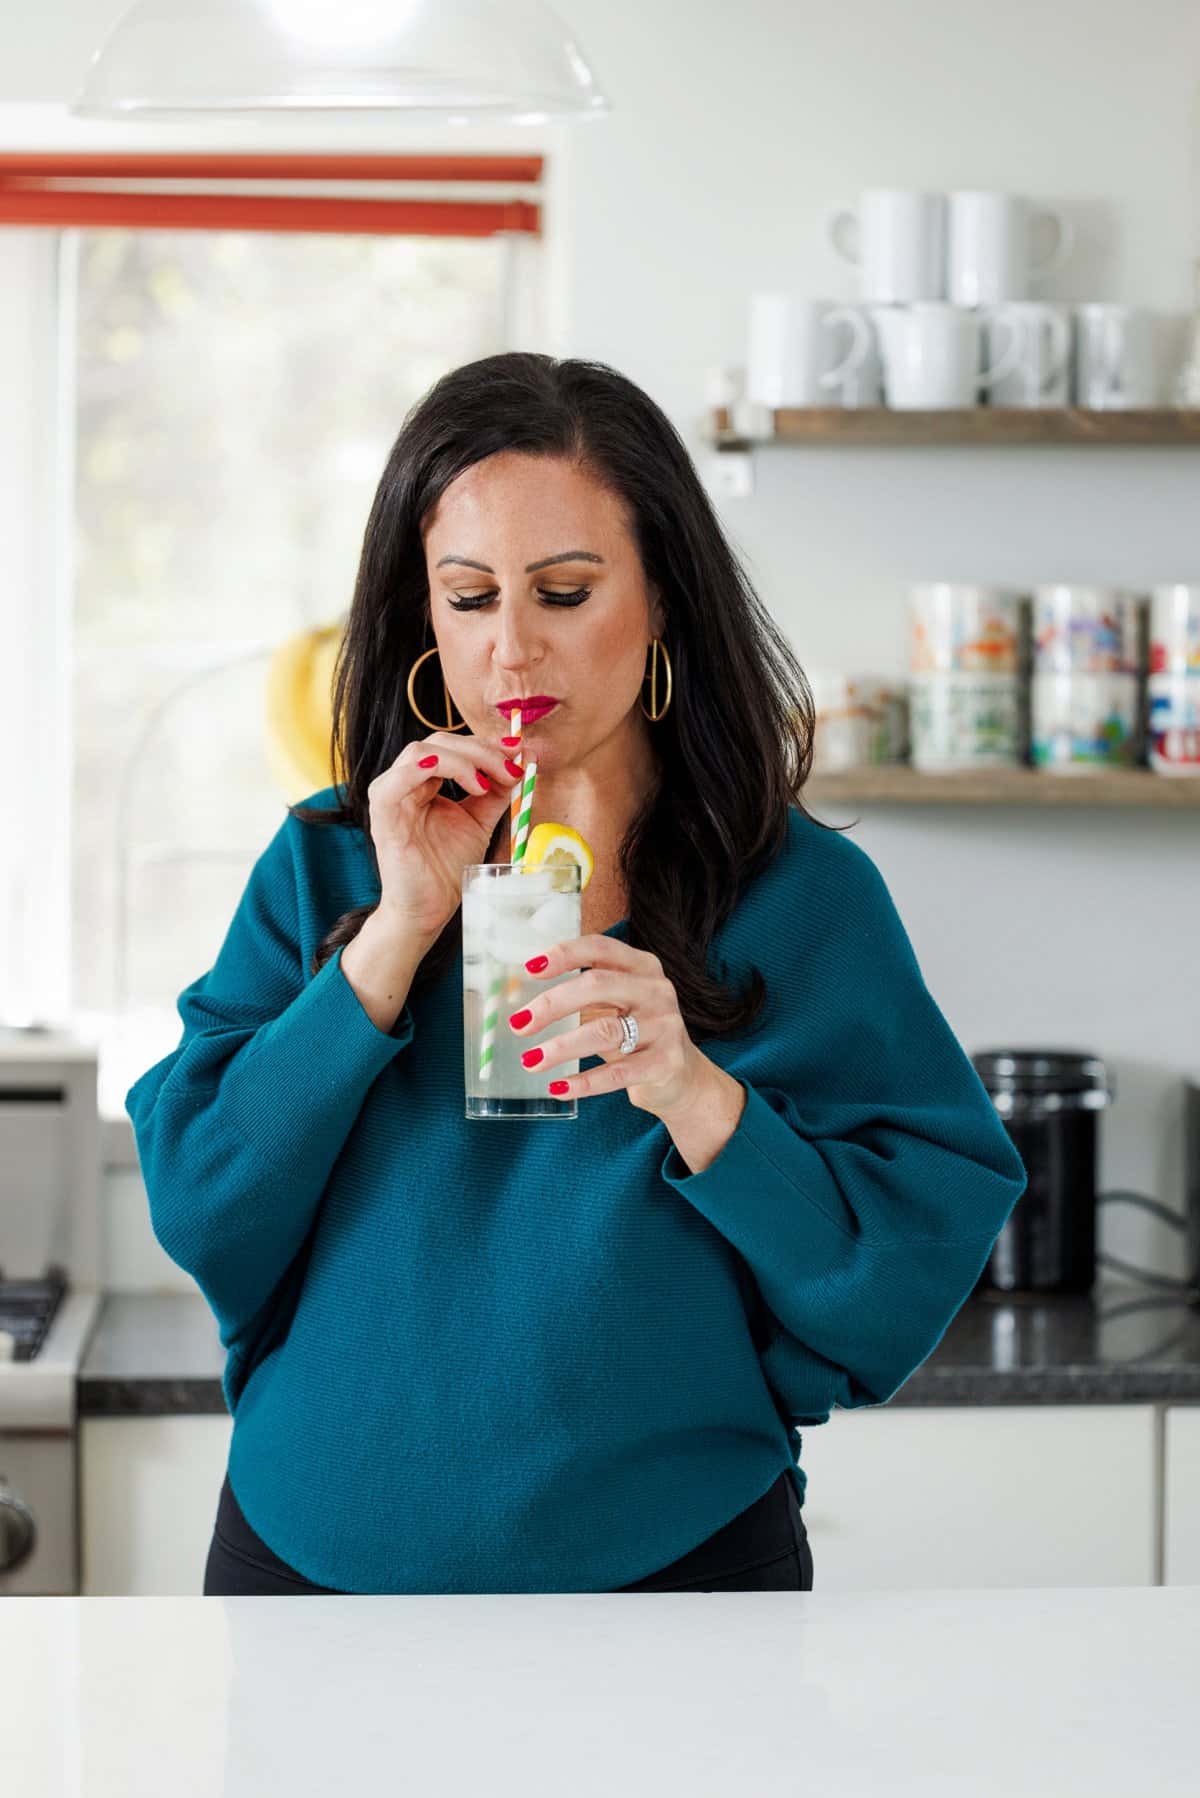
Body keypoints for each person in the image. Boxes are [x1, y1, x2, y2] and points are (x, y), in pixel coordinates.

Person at [126, 352, 1027, 1596]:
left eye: (564, 591)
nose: (512, 648)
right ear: (423, 618)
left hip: (677, 1576)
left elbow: (896, 1280)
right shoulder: (329, 861)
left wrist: (698, 1093)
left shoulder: (800, 895)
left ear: (663, 599)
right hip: (310, 1573)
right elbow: (200, 1200)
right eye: (469, 596)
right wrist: (391, 939)